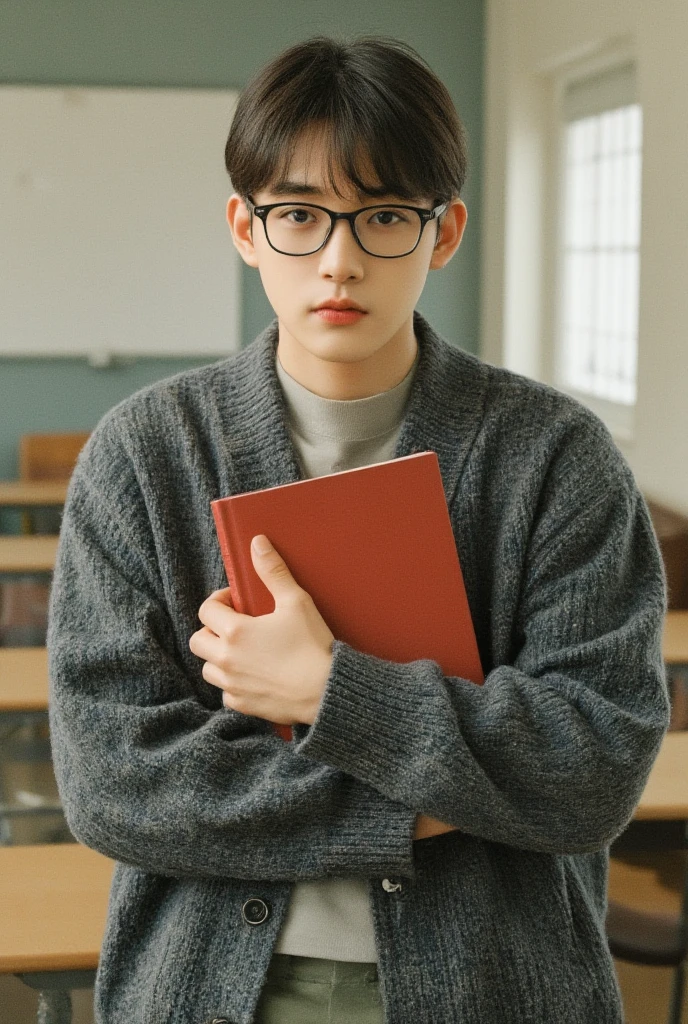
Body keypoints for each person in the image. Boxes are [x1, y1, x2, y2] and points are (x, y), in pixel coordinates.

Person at [48, 35, 670, 1024]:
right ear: (244, 229)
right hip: (211, 989)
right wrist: (439, 799)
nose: (338, 261)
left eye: (383, 216)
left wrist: (330, 691)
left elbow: (588, 769)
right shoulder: (143, 454)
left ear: (444, 231)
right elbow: (116, 783)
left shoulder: (556, 457)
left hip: (493, 990)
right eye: (298, 214)